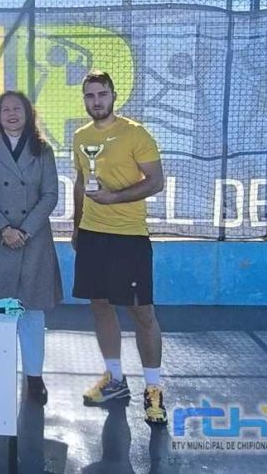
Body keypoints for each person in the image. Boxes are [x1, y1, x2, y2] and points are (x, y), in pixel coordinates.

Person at [72, 70, 167, 424]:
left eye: (101, 94)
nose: (96, 101)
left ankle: (154, 388)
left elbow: (156, 181)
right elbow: (81, 181)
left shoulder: (135, 133)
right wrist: (77, 225)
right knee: (99, 305)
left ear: (113, 96)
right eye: (90, 96)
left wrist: (115, 198)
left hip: (129, 237)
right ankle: (115, 379)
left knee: (142, 313)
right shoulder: (81, 136)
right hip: (92, 235)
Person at [0, 91, 63, 405]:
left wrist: (24, 230)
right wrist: (5, 229)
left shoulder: (44, 150)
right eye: (5, 109)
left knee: (33, 313)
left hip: (33, 240)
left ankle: (34, 378)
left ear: (28, 114)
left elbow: (50, 195)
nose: (12, 114)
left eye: (18, 109)